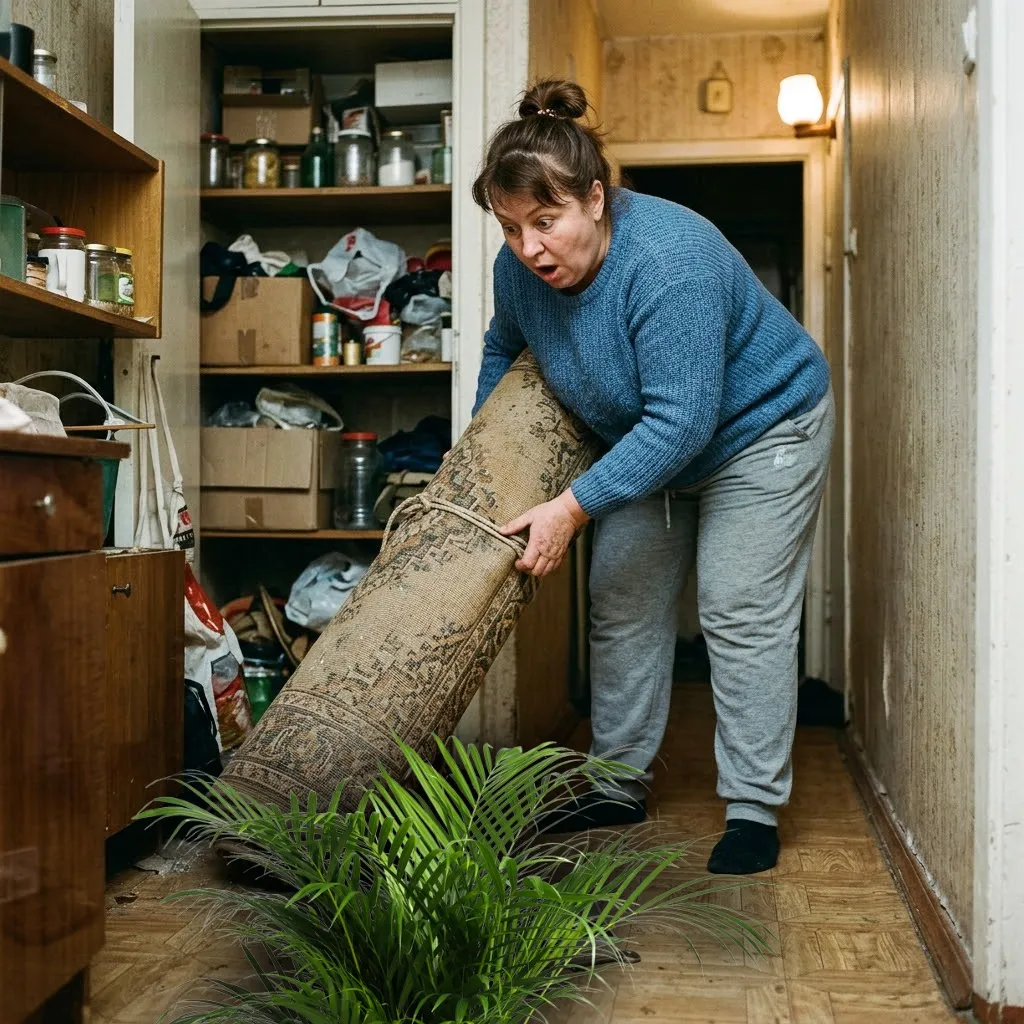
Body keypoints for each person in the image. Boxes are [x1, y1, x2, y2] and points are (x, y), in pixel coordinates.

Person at [471, 79, 833, 876]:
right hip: (648, 440)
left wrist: (572, 506)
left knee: (739, 609)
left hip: (760, 430)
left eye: (546, 220)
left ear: (596, 198)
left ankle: (751, 807)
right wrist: (484, 453)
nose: (530, 248)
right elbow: (503, 347)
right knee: (624, 601)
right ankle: (616, 781)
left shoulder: (672, 262)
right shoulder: (519, 271)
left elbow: (685, 422)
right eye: (510, 227)